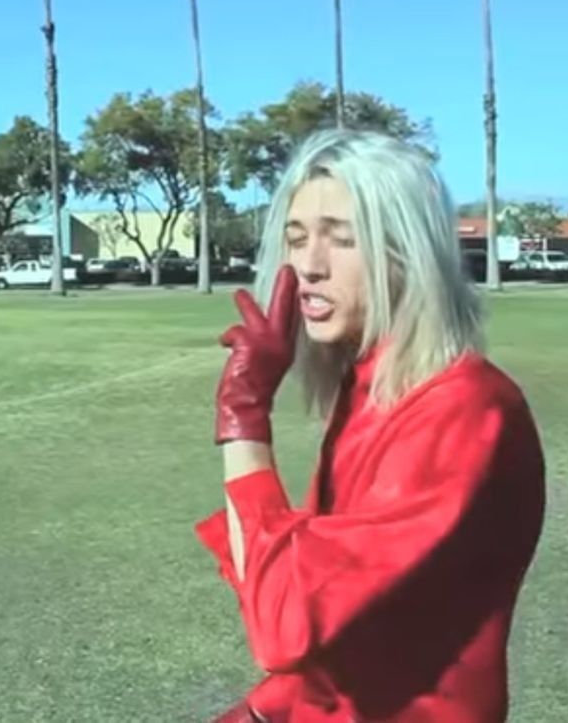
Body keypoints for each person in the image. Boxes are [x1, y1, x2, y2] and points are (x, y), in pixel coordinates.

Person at [196, 130, 545, 723]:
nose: (307, 266)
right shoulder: (371, 389)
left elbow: (284, 624)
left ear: (405, 252)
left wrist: (244, 416)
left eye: (342, 239)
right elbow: (353, 623)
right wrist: (260, 711)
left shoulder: (462, 410)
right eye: (296, 239)